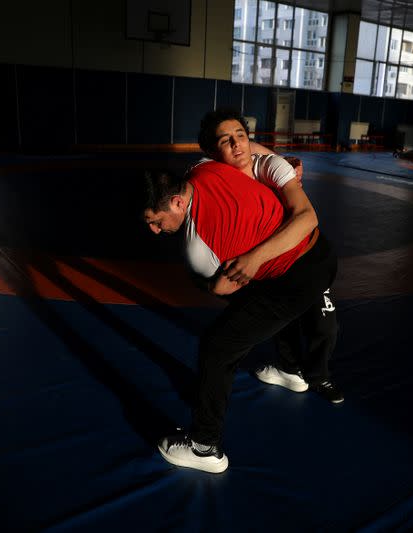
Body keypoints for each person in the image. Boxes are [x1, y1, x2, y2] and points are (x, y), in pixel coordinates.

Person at [142, 161, 338, 474]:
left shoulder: (198, 248)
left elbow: (222, 287)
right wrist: (286, 168)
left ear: (177, 202)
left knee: (218, 346)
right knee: (264, 303)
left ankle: (204, 446)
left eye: (155, 220)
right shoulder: (204, 167)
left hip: (298, 281)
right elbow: (256, 154)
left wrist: (212, 282)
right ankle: (291, 371)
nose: (154, 230)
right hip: (322, 250)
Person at [192, 108, 340, 404]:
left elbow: (308, 218)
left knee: (323, 321)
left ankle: (318, 374)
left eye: (241, 137)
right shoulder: (210, 173)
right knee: (276, 313)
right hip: (273, 266)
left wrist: (254, 258)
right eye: (226, 141)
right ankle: (288, 368)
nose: (236, 145)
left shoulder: (269, 167)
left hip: (304, 254)